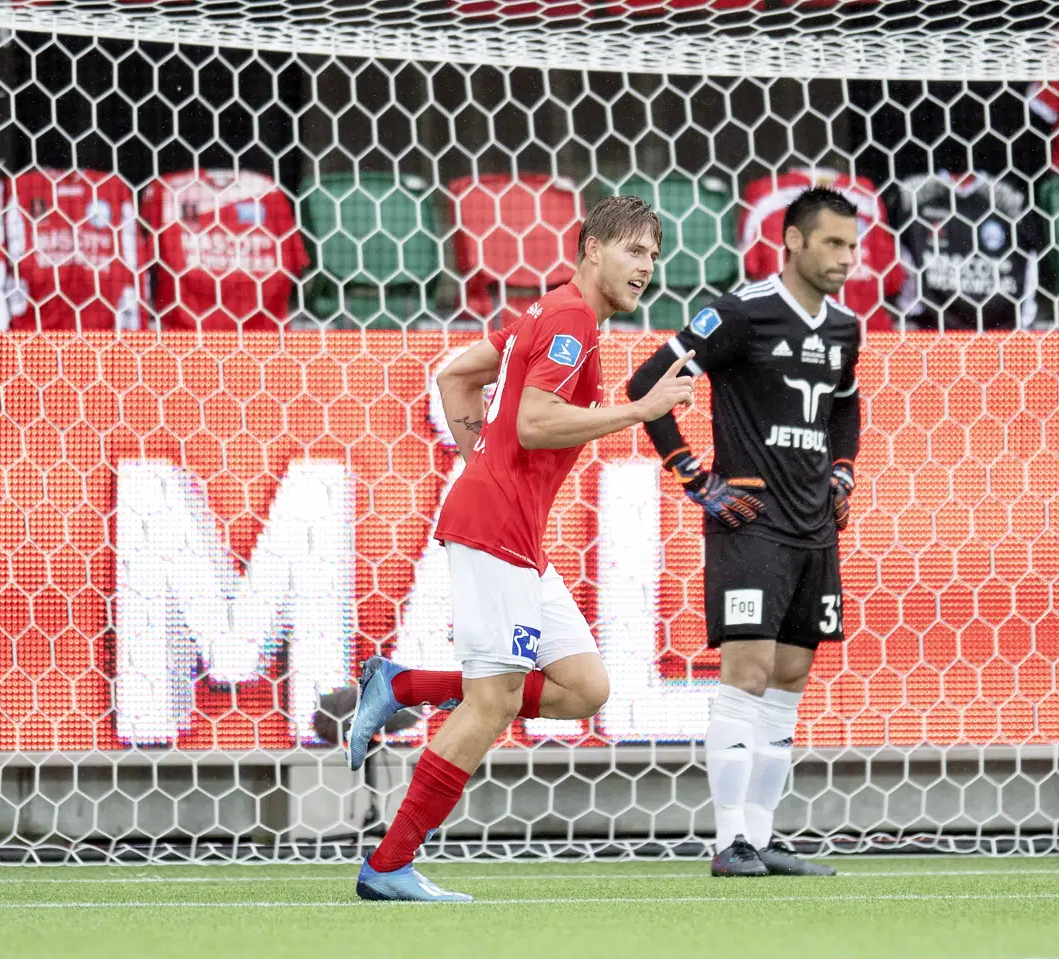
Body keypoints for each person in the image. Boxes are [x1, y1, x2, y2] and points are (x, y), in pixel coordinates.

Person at [346, 195, 697, 902]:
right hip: (497, 528)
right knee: (493, 703)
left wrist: (482, 460)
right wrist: (640, 409)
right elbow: (535, 422)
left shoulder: (546, 313)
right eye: (633, 250)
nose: (646, 267)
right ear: (592, 249)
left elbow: (454, 375)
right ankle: (388, 865)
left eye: (653, 256)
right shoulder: (570, 319)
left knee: (585, 688)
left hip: (513, 530)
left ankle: (403, 686)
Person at [624, 187, 862, 878]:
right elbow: (648, 382)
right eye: (832, 243)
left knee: (789, 678)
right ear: (793, 240)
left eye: (852, 246)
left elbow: (845, 406)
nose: (846, 258)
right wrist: (694, 476)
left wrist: (842, 471)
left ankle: (762, 835)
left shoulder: (845, 327)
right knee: (748, 674)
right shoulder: (741, 312)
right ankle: (730, 841)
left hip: (814, 526)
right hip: (750, 520)